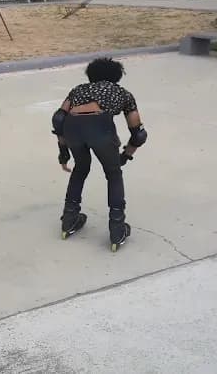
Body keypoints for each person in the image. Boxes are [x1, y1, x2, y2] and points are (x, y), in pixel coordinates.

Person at [51, 58, 147, 251]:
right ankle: (117, 228)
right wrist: (125, 156)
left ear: (91, 75)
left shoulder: (78, 90)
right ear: (117, 77)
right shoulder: (122, 93)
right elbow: (138, 133)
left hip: (72, 128)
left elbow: (59, 118)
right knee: (113, 174)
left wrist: (63, 152)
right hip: (100, 129)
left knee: (81, 169)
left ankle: (69, 219)